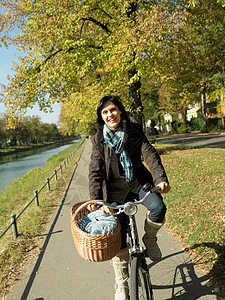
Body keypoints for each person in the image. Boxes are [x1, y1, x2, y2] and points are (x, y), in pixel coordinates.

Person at [89, 95, 170, 300]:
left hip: (137, 183)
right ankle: (121, 284)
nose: (110, 115)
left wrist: (160, 178)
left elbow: (149, 153)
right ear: (101, 116)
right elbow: (95, 171)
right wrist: (96, 200)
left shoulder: (133, 130)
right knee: (119, 235)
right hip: (114, 191)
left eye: (113, 110)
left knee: (158, 208)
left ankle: (149, 238)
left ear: (120, 111)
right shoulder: (98, 138)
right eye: (105, 112)